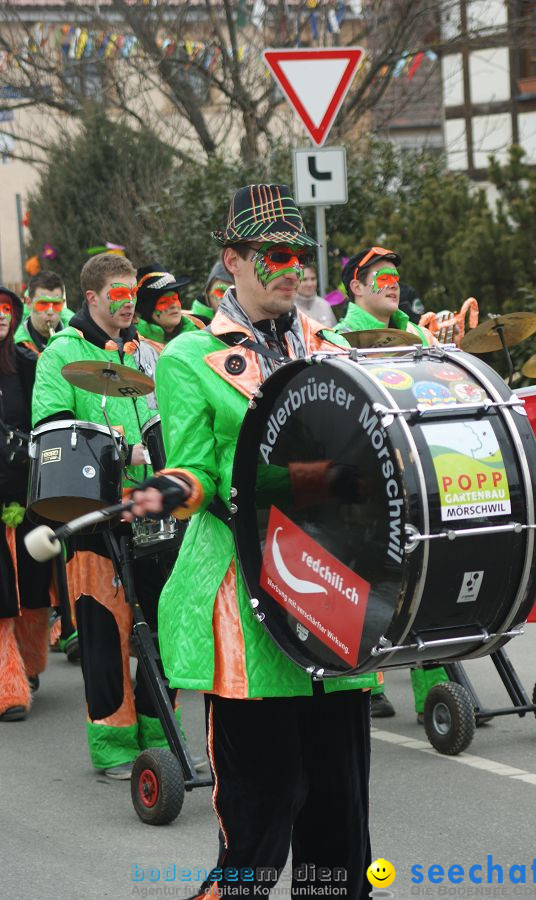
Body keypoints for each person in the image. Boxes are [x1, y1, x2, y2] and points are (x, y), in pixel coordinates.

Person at [126, 184, 378, 899]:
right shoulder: (186, 357)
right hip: (249, 599)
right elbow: (203, 468)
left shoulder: (333, 344)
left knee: (339, 820)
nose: (290, 269)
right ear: (232, 260)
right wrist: (176, 486)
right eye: (273, 255)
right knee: (262, 816)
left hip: (336, 592)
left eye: (299, 256)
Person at [31, 253, 195, 778]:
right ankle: (113, 745)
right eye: (118, 295)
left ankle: (160, 732)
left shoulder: (147, 352)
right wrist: (120, 456)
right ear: (94, 298)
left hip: (149, 507)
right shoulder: (61, 353)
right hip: (95, 511)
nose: (129, 304)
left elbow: (165, 418)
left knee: (163, 624)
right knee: (104, 631)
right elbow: (53, 425)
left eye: (132, 294)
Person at [337, 247, 448, 722]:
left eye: (395, 275)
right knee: (366, 584)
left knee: (427, 581)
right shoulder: (335, 340)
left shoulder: (420, 334)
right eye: (378, 275)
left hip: (421, 474)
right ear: (355, 287)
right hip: (362, 482)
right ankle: (361, 684)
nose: (391, 281)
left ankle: (436, 696)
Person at [14, 271, 80, 661]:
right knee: (38, 553)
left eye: (57, 303)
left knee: (68, 539)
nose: (51, 312)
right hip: (24, 460)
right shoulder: (18, 346)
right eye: (43, 304)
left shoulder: (71, 338)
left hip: (62, 453)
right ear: (29, 301)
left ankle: (71, 628)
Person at [0, 287, 53, 721]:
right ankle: (7, 685)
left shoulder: (27, 364)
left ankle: (29, 660)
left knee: (34, 586)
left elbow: (45, 420)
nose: (0, 316)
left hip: (27, 491)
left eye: (6, 309)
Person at [134, 264, 204, 348]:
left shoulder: (199, 331)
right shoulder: (135, 341)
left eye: (175, 299)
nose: (174, 305)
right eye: (163, 302)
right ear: (148, 310)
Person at [294, 262, 337, 328]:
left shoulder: (325, 305)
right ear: (295, 281)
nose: (310, 284)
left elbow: (335, 335)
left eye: (313, 279)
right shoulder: (289, 308)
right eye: (304, 279)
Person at [191, 259, 234, 324]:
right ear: (207, 294)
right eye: (220, 292)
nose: (227, 298)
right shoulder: (191, 329)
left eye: (234, 292)